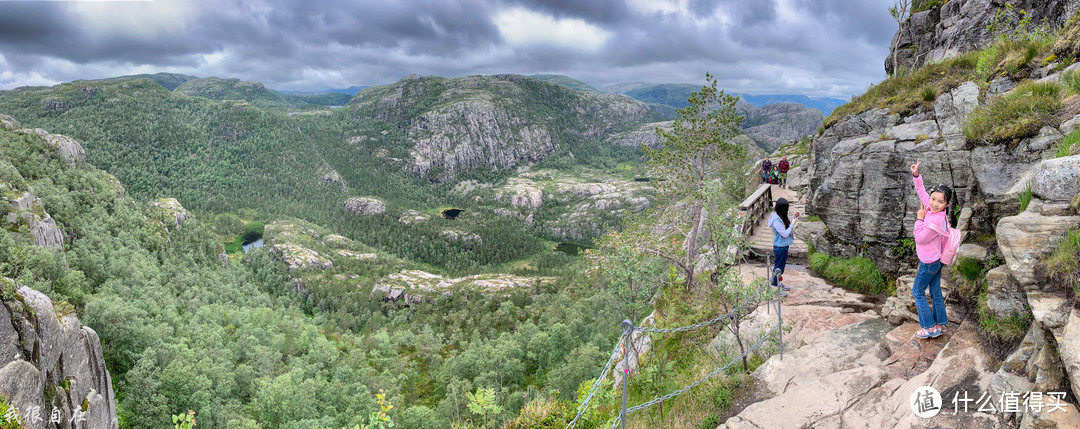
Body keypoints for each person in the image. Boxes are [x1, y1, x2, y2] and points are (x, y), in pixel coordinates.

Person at [909, 158, 953, 339]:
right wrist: (916, 175)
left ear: (946, 205)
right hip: (935, 260)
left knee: (917, 292)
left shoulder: (935, 220)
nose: (933, 203)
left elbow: (919, 238)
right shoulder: (935, 211)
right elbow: (921, 192)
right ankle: (939, 323)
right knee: (935, 292)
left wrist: (919, 219)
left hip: (928, 262)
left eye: (939, 201)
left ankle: (929, 327)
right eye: (933, 199)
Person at [770, 198, 799, 297]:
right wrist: (793, 224)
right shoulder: (776, 220)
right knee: (778, 268)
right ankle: (775, 289)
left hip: (782, 246)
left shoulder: (777, 215)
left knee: (780, 268)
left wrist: (792, 217)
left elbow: (784, 226)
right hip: (780, 247)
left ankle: (779, 284)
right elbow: (785, 233)